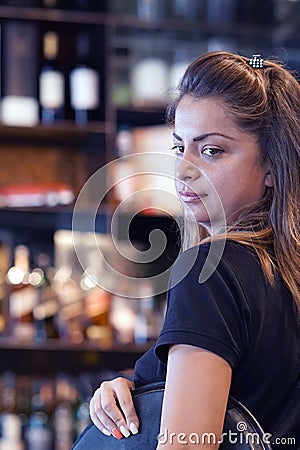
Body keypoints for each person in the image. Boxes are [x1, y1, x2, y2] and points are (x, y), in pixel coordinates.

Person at [89, 51, 300, 449]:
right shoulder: (285, 274)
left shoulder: (211, 269)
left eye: (211, 151)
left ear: (273, 165)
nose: (184, 169)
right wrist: (142, 391)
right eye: (178, 147)